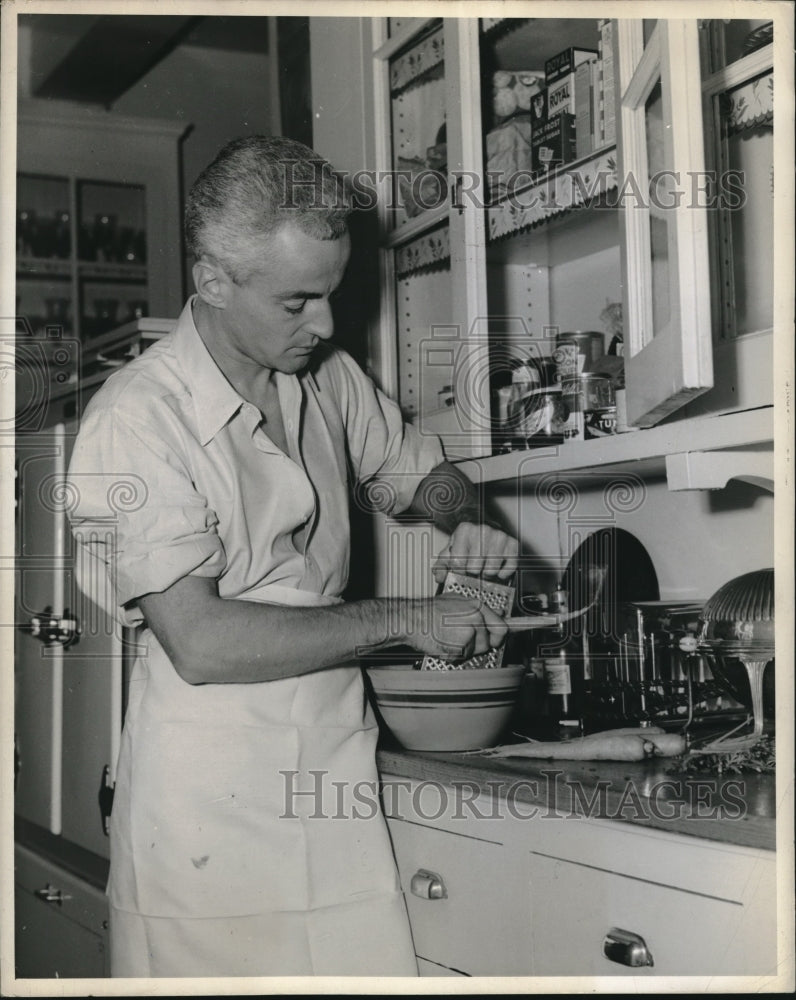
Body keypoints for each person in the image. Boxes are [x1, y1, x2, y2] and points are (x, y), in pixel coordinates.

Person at [67, 136, 519, 978]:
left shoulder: (327, 377)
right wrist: (412, 619)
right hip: (210, 812)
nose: (325, 325)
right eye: (297, 301)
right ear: (212, 281)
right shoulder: (136, 422)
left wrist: (467, 522)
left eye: (333, 294)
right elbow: (201, 643)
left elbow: (417, 471)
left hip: (336, 775)